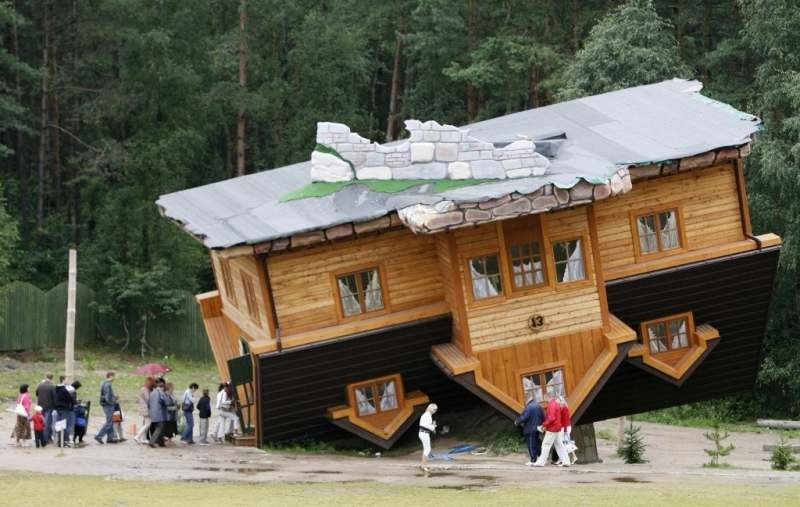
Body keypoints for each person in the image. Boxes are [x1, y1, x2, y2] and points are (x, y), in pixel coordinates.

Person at [533, 392, 570, 467]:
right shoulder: (556, 404)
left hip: (553, 429)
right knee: (559, 445)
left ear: (547, 397)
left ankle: (541, 462)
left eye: (544, 397)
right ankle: (566, 461)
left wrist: (543, 425)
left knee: (545, 445)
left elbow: (551, 418)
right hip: (557, 428)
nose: (544, 399)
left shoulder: (552, 405)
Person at [516, 395, 545, 466]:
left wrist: (517, 421)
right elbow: (543, 416)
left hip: (530, 429)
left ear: (527, 400)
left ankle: (533, 460)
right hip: (538, 428)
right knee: (537, 443)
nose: (524, 402)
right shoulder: (539, 406)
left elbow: (524, 417)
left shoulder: (528, 407)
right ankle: (540, 458)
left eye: (525, 401)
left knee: (531, 445)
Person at [95, 371, 118, 444]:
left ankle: (110, 438)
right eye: (114, 376)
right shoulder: (107, 385)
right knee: (109, 422)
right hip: (108, 405)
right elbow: (107, 397)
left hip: (106, 405)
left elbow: (107, 396)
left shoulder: (104, 383)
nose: (114, 378)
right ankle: (99, 436)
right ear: (110, 376)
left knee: (110, 421)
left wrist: (114, 397)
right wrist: (113, 401)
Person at [54, 376, 75, 447]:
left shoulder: (56, 388)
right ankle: (64, 441)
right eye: (67, 380)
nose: (68, 381)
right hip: (65, 409)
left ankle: (60, 441)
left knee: (60, 425)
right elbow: (70, 398)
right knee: (64, 426)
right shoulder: (63, 389)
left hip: (58, 409)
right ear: (63, 380)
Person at [35, 373, 56, 443]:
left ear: (45, 377)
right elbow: (54, 397)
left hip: (40, 406)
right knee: (47, 422)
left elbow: (36, 393)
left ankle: (41, 438)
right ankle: (46, 439)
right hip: (49, 407)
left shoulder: (40, 385)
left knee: (40, 422)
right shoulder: (52, 386)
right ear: (52, 378)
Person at [134, 377, 155, 444]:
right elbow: (148, 399)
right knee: (148, 424)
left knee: (146, 423)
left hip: (144, 408)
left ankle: (144, 438)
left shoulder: (144, 388)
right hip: (145, 409)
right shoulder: (145, 389)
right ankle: (137, 437)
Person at [148, 379, 167, 448]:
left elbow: (148, 403)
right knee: (160, 427)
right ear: (162, 387)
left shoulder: (152, 392)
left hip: (152, 413)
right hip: (159, 413)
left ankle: (161, 442)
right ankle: (152, 442)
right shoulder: (160, 393)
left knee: (159, 428)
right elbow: (164, 401)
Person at [558, 397, 577, 465]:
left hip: (565, 428)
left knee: (566, 443)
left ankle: (571, 457)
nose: (558, 403)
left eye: (559, 402)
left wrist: (565, 430)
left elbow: (565, 420)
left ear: (562, 401)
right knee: (566, 443)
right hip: (565, 427)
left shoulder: (564, 409)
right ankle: (572, 457)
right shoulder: (563, 408)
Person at [418, 403, 437, 471]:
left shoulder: (425, 414)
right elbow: (425, 425)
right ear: (431, 408)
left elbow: (425, 425)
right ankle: (423, 466)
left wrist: (432, 426)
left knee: (426, 449)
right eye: (434, 409)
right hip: (424, 433)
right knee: (427, 449)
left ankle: (422, 465)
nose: (435, 411)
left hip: (423, 433)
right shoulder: (427, 415)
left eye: (436, 409)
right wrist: (433, 427)